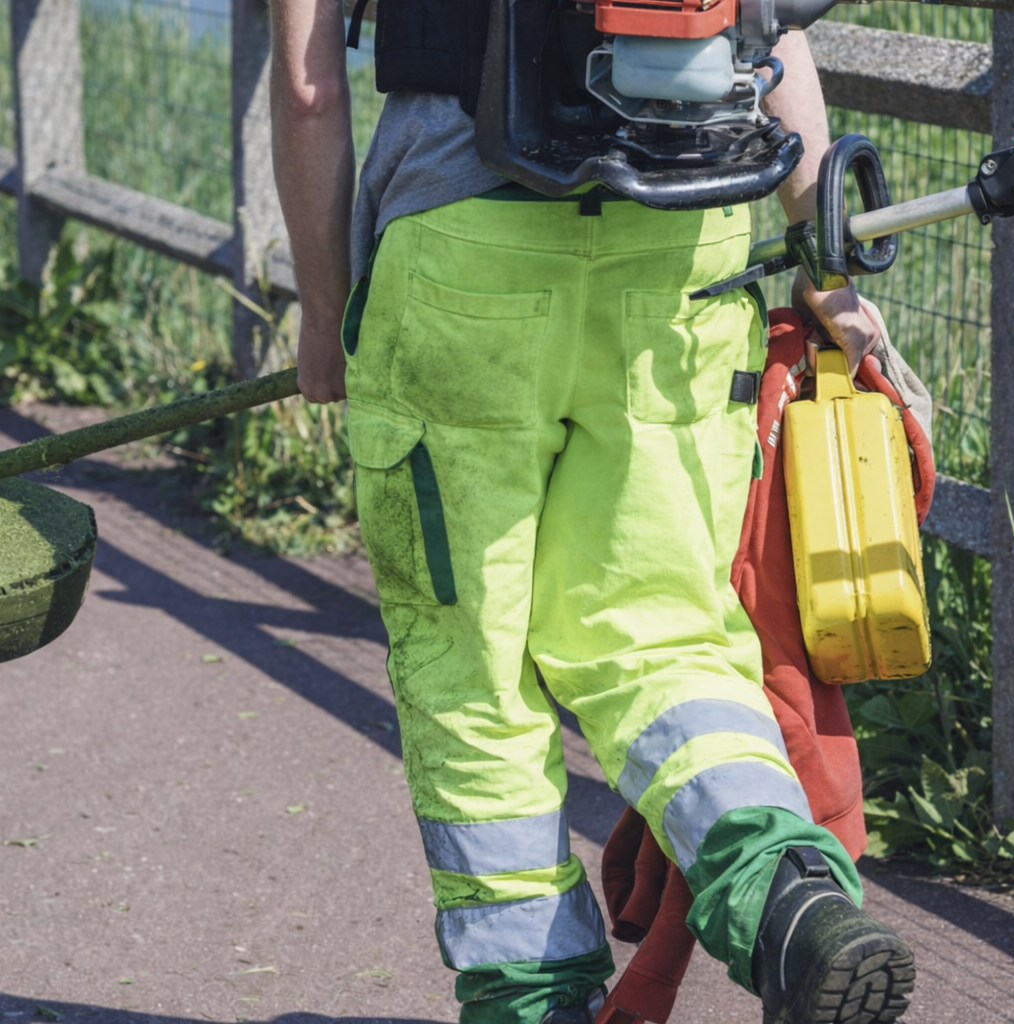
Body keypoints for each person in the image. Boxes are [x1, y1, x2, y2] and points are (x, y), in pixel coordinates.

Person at [266, 0, 917, 1019]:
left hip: (461, 256)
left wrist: (321, 316)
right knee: (667, 632)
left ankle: (533, 998)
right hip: (685, 250)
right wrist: (823, 264)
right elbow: (777, 32)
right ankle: (785, 893)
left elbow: (310, 89)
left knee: (471, 671)